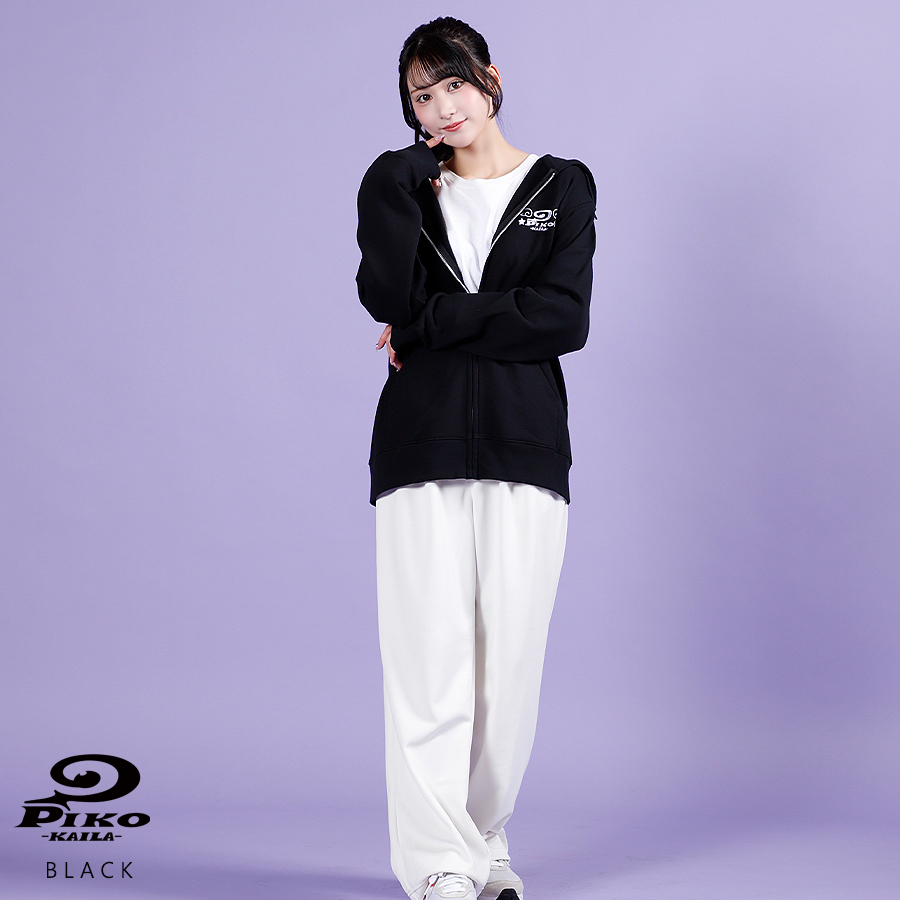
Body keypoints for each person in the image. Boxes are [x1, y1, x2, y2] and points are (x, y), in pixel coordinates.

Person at [356, 16, 596, 900]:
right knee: (428, 663)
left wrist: (430, 325)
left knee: (509, 671)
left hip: (526, 445)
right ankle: (439, 864)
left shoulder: (562, 185)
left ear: (490, 78)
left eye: (453, 83)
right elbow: (384, 294)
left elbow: (563, 319)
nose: (441, 106)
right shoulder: (402, 188)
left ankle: (483, 840)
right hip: (417, 445)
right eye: (422, 96)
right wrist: (393, 182)